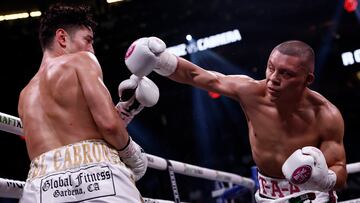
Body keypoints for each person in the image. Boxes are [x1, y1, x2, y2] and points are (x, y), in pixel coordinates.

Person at [124, 38, 347, 202]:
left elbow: (340, 169)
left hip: (312, 196)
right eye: (271, 67)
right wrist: (160, 60)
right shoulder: (251, 92)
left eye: (286, 74)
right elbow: (199, 76)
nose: (273, 79)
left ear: (307, 79)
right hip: (268, 195)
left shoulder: (326, 115)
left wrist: (325, 179)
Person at [17, 3, 158, 203]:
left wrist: (122, 113)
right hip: (96, 177)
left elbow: (72, 127)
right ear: (62, 37)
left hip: (40, 187)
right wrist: (131, 153)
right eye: (88, 40)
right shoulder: (82, 61)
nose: (91, 49)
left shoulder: (24, 95)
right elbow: (108, 125)